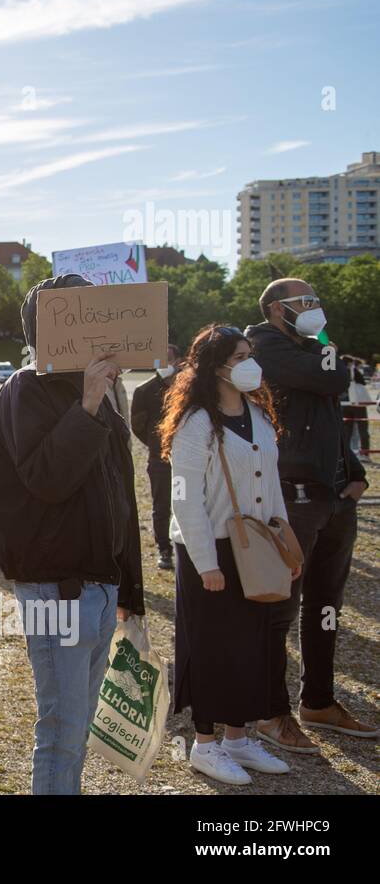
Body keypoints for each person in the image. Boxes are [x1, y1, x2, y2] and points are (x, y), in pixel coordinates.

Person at [0, 274, 144, 795]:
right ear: (47, 328)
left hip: (101, 585)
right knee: (62, 728)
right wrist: (90, 404)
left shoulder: (101, 395)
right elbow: (48, 480)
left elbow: (122, 496)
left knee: (78, 727)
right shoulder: (23, 390)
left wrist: (132, 591)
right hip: (55, 589)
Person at [160, 325, 296, 785]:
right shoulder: (195, 423)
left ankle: (237, 738)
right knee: (210, 645)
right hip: (212, 548)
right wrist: (206, 562)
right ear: (216, 366)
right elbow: (184, 496)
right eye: (240, 356)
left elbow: (271, 483)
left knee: (250, 643)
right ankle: (204, 744)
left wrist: (284, 543)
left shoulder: (258, 415)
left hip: (255, 547)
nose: (250, 363)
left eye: (249, 354)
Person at [246, 279, 376, 752]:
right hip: (292, 498)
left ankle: (318, 700)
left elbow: (330, 414)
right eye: (308, 302)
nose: (317, 308)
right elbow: (331, 377)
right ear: (279, 309)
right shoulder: (264, 344)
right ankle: (271, 711)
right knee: (281, 606)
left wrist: (356, 471)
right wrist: (327, 345)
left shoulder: (309, 349)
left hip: (335, 497)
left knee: (326, 606)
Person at [130, 344, 182, 571]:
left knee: (184, 502)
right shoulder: (144, 391)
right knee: (161, 506)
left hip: (185, 463)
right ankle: (164, 550)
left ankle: (186, 548)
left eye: (169, 360)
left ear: (178, 360)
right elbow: (138, 427)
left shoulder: (188, 387)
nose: (165, 365)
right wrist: (156, 446)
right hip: (160, 462)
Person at [343, 355, 371, 460]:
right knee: (363, 429)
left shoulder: (338, 371)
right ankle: (364, 453)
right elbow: (362, 382)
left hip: (345, 403)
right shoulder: (354, 370)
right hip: (358, 403)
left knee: (346, 430)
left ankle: (345, 453)